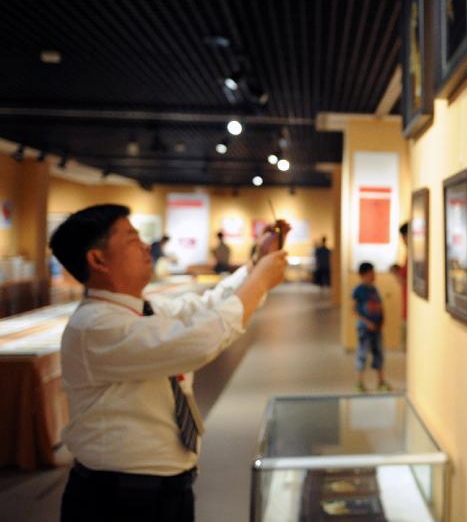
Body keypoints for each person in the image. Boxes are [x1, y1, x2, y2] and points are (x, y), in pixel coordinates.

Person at [49, 204, 288, 522]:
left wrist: (257, 262)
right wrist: (258, 281)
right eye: (132, 239)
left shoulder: (144, 309)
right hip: (118, 500)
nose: (146, 245)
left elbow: (206, 309)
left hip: (162, 491)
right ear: (97, 259)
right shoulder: (94, 326)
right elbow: (197, 340)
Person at [352, 262, 390, 393]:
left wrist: (382, 319)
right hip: (364, 328)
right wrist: (366, 322)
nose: (373, 276)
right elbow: (354, 310)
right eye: (370, 274)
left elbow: (380, 305)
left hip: (377, 327)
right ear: (363, 275)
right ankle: (359, 383)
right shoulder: (358, 290)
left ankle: (381, 381)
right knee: (362, 354)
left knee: (378, 353)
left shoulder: (374, 289)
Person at [390, 222, 409, 347]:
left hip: (409, 310)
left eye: (403, 237)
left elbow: (404, 279)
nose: (403, 241)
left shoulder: (412, 254)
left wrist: (396, 273)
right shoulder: (409, 255)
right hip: (407, 307)